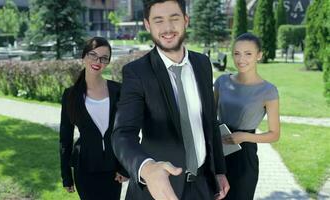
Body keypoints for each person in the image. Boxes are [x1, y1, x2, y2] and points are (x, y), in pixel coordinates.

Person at [111, 0, 229, 200]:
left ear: (185, 20)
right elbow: (123, 134)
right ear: (147, 25)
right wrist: (146, 169)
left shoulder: (202, 64)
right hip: (159, 189)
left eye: (174, 18)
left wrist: (219, 170)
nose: (167, 28)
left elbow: (209, 121)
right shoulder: (137, 73)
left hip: (202, 185)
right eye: (158, 21)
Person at [59, 37, 128, 200]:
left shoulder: (118, 90)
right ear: (83, 57)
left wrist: (125, 166)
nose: (98, 61)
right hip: (84, 167)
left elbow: (128, 131)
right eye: (93, 55)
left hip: (113, 168)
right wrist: (66, 175)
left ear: (108, 62)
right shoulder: (71, 95)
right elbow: (65, 138)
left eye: (104, 58)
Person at [214, 33, 280, 200]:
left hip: (245, 157)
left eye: (248, 53)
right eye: (237, 53)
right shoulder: (222, 81)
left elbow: (274, 134)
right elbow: (208, 116)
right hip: (217, 151)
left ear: (259, 55)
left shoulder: (268, 91)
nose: (241, 59)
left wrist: (243, 136)